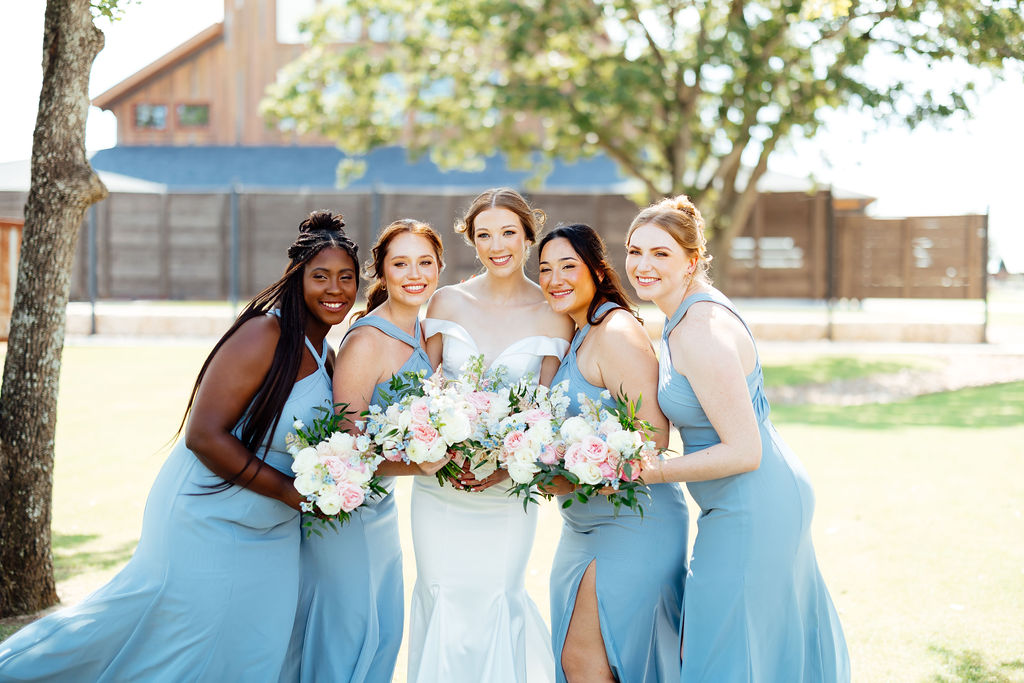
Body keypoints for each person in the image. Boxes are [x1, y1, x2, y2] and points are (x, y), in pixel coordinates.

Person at [0, 211, 360, 682]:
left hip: (273, 532)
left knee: (257, 645)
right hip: (206, 517)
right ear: (297, 278)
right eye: (321, 276)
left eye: (346, 278)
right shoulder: (263, 335)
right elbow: (203, 435)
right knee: (168, 638)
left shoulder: (327, 354)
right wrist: (294, 493)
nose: (334, 289)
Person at [624, 195, 850, 682]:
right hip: (742, 501)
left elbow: (743, 451)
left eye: (660, 253)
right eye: (634, 250)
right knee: (742, 647)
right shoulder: (680, 316)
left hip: (754, 505)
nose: (642, 265)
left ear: (691, 259)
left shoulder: (700, 328)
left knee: (723, 652)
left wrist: (647, 469)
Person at [407, 188, 574, 683]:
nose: (496, 244)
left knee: (499, 595)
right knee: (438, 593)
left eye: (507, 232)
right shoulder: (445, 302)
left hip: (506, 494)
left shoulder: (554, 313)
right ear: (472, 241)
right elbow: (420, 395)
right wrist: (435, 445)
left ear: (528, 236)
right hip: (439, 490)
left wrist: (506, 465)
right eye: (484, 234)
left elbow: (545, 413)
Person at [282, 219, 450, 683]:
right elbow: (344, 447)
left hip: (381, 508)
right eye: (400, 263)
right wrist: (417, 463)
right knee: (348, 634)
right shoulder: (365, 342)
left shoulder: (427, 334)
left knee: (382, 631)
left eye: (424, 262)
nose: (414, 273)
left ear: (439, 268)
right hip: (344, 510)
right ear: (381, 271)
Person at [537, 223, 690, 683]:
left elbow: (653, 438)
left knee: (588, 663)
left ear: (597, 270)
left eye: (569, 266)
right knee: (579, 662)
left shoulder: (616, 330)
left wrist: (574, 472)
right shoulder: (576, 330)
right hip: (581, 526)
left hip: (634, 523)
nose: (555, 278)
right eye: (544, 269)